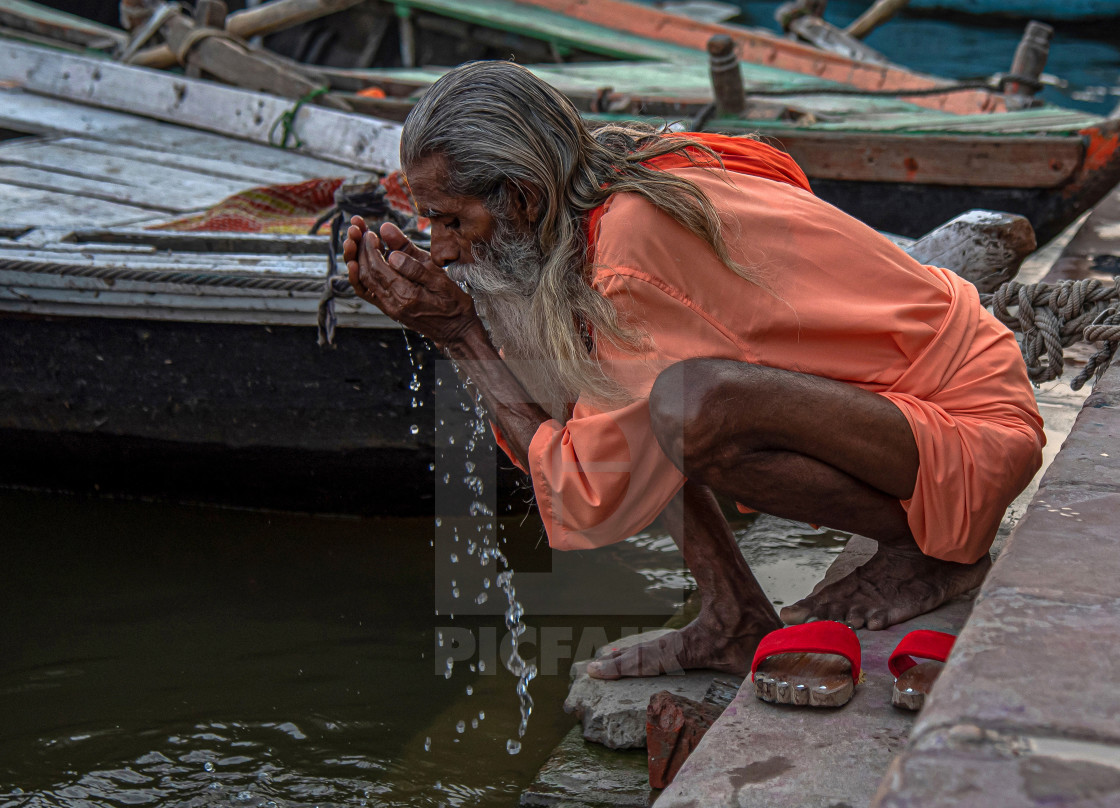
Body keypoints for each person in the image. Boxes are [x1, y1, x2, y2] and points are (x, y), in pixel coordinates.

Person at [343, 60, 1044, 680]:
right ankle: (735, 617)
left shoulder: (631, 240)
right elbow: (595, 435)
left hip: (970, 430)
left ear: (522, 198)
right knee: (633, 403)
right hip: (910, 412)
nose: (439, 250)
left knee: (685, 405)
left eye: (452, 222)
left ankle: (932, 553)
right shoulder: (616, 167)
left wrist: (462, 334)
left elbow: (592, 490)